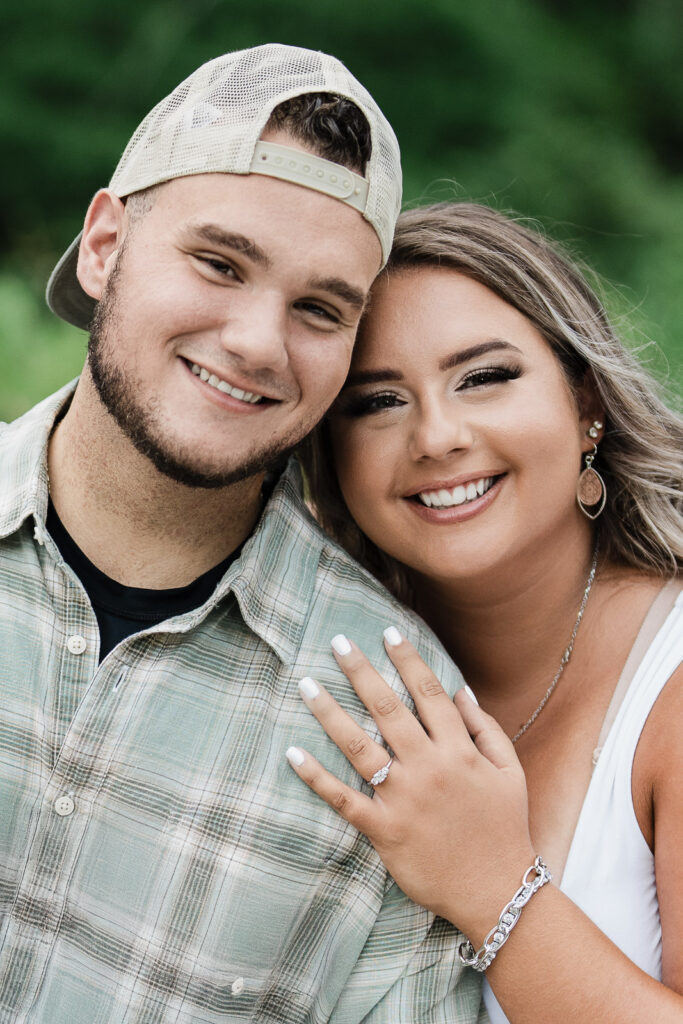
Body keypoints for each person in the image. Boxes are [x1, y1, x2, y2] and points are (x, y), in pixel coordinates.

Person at [0, 49, 486, 1023]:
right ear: (103, 246)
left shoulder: (394, 724)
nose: (259, 343)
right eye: (218, 263)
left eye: (318, 309)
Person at [292, 202, 683, 1022]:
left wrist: (491, 883)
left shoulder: (669, 688)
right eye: (376, 402)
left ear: (587, 405)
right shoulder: (318, 667)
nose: (436, 437)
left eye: (484, 377)